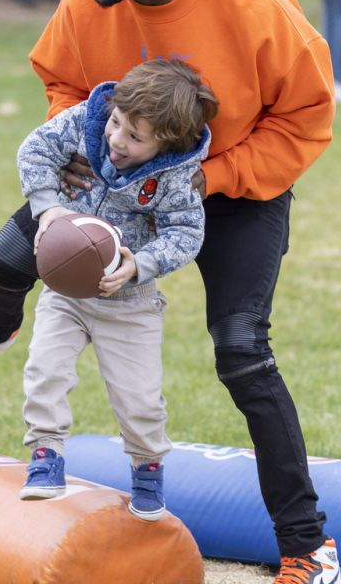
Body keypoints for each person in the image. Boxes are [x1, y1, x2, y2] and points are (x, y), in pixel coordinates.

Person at [0, 0, 341, 579]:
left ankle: (307, 544)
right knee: (5, 259)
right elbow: (62, 79)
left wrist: (207, 177)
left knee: (243, 355)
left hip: (230, 186)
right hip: (110, 175)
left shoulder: (254, 4)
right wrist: (73, 143)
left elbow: (305, 119)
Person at [13, 58, 214, 521]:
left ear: (166, 145)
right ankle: (45, 455)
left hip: (129, 303)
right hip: (65, 291)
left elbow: (186, 233)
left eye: (134, 137)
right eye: (118, 124)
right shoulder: (89, 122)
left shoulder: (174, 177)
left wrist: (139, 265)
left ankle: (147, 466)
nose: (117, 140)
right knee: (45, 370)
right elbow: (35, 150)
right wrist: (47, 210)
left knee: (139, 397)